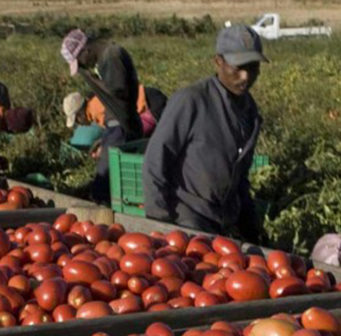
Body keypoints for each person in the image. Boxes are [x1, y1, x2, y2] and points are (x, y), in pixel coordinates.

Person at [143, 25, 267, 242]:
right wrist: (159, 223)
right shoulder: (191, 100)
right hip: (186, 216)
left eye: (253, 67)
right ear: (218, 62)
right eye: (238, 67)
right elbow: (155, 162)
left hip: (222, 221)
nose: (246, 76)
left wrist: (252, 228)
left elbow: (240, 179)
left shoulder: (251, 113)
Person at [60, 29, 143, 204]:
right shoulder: (107, 57)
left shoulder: (110, 56)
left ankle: (105, 217)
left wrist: (93, 80)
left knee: (104, 184)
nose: (83, 66)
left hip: (120, 125)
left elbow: (119, 91)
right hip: (116, 125)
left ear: (86, 50)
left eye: (80, 61)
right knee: (110, 179)